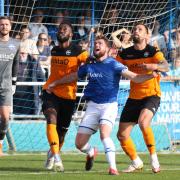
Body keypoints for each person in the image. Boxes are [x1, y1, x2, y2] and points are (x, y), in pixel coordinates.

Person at [75, 35, 159, 175]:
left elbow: (135, 77)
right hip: (92, 106)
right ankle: (91, 151)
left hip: (108, 105)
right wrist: (54, 84)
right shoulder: (89, 65)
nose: (96, 45)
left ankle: (113, 168)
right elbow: (74, 76)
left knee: (104, 134)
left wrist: (151, 75)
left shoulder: (114, 64)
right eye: (95, 43)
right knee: (79, 144)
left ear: (108, 49)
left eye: (100, 43)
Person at [116, 23, 169, 173]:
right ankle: (136, 161)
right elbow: (113, 66)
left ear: (147, 35)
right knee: (122, 135)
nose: (135, 31)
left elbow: (166, 66)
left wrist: (154, 67)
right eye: (134, 29)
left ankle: (154, 159)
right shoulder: (125, 53)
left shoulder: (153, 51)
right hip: (133, 97)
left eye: (140, 30)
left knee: (143, 122)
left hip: (151, 95)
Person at [41, 21, 89, 171]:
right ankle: (57, 157)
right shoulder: (54, 50)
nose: (61, 31)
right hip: (50, 91)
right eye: (59, 29)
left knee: (61, 134)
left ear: (71, 34)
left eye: (65, 29)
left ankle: (52, 153)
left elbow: (90, 64)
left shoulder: (79, 51)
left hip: (68, 96)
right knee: (51, 118)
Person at [0, 16, 20, 155]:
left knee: (5, 118)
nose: (4, 27)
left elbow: (16, 64)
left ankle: (0, 142)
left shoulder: (16, 44)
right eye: (1, 24)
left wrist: (14, 83)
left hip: (6, 86)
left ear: (10, 27)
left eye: (7, 24)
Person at [13, 48, 45, 115]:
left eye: (23, 53)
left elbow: (42, 79)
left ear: (27, 53)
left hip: (29, 99)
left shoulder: (34, 63)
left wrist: (43, 94)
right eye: (20, 53)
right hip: (15, 98)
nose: (21, 55)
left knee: (29, 119)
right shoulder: (13, 62)